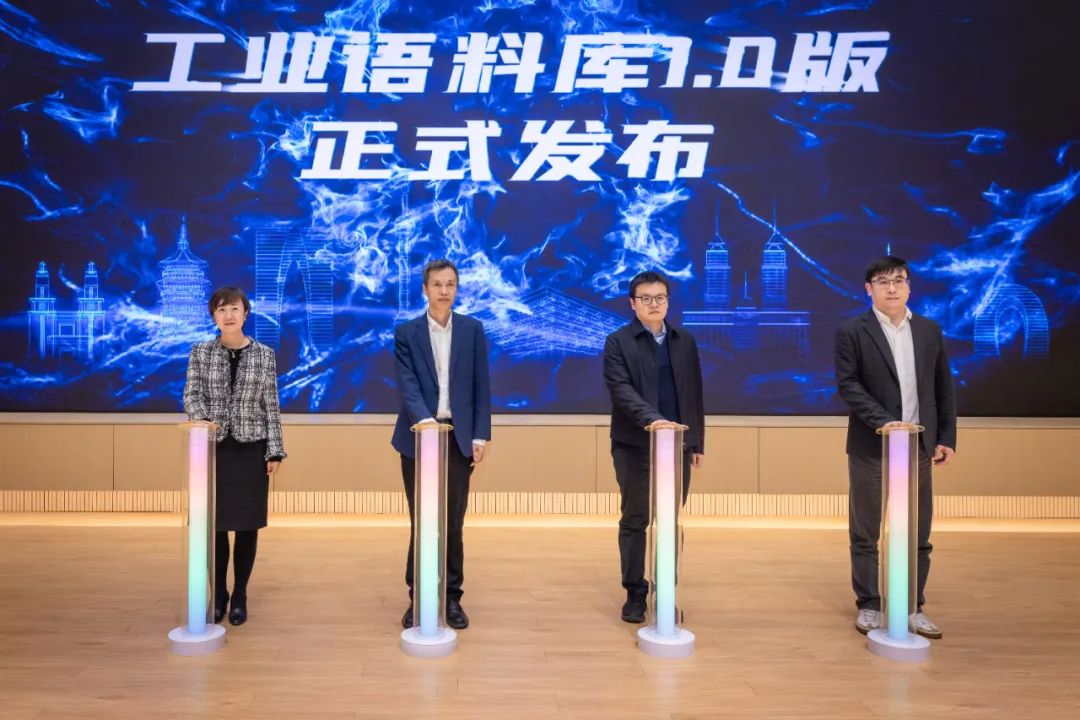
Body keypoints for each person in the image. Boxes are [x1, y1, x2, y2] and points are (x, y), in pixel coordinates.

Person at [835, 256, 957, 638]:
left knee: (918, 533)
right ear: (868, 288)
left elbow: (943, 387)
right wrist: (886, 423)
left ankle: (913, 606)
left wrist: (945, 438)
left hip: (919, 446)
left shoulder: (929, 331)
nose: (892, 288)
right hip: (872, 446)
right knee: (866, 531)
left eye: (899, 280)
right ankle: (870, 603)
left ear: (909, 287)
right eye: (883, 281)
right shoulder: (852, 331)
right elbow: (849, 385)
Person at [391, 259, 491, 630]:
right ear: (425, 289)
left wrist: (480, 434)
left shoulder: (472, 329)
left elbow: (482, 385)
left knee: (452, 523)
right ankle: (418, 597)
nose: (444, 290)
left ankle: (451, 598)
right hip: (418, 438)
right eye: (437, 284)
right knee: (422, 522)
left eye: (450, 284)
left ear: (457, 288)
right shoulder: (407, 332)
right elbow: (408, 385)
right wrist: (426, 423)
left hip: (458, 439)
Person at [603, 270, 705, 623]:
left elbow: (694, 394)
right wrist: (654, 420)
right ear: (633, 304)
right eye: (645, 298)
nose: (653, 304)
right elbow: (621, 390)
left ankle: (665, 593)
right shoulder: (618, 342)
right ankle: (635, 593)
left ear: (668, 301)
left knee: (669, 521)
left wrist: (696, 442)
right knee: (636, 518)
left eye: (660, 298)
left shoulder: (684, 340)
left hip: (677, 446)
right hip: (634, 445)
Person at [183, 286, 286, 626]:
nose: (228, 315)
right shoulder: (200, 352)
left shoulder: (264, 355)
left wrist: (275, 450)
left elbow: (271, 405)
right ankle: (219, 594)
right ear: (213, 316)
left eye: (234, 309)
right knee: (213, 526)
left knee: (246, 526)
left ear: (245, 314)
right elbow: (191, 395)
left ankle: (240, 593)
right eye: (221, 309)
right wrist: (204, 425)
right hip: (212, 450)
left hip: (251, 449)